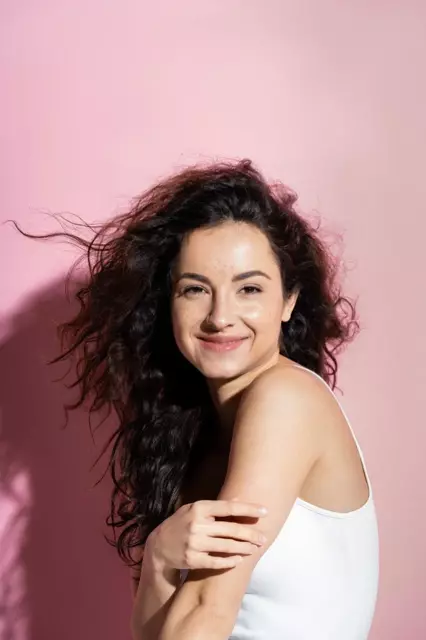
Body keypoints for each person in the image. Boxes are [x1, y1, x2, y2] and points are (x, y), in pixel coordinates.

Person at [16, 158, 379, 639]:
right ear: (168, 303)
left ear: (289, 300)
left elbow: (209, 608)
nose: (219, 317)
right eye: (195, 290)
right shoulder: (196, 438)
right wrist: (159, 557)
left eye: (249, 288)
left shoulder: (287, 398)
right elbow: (154, 633)